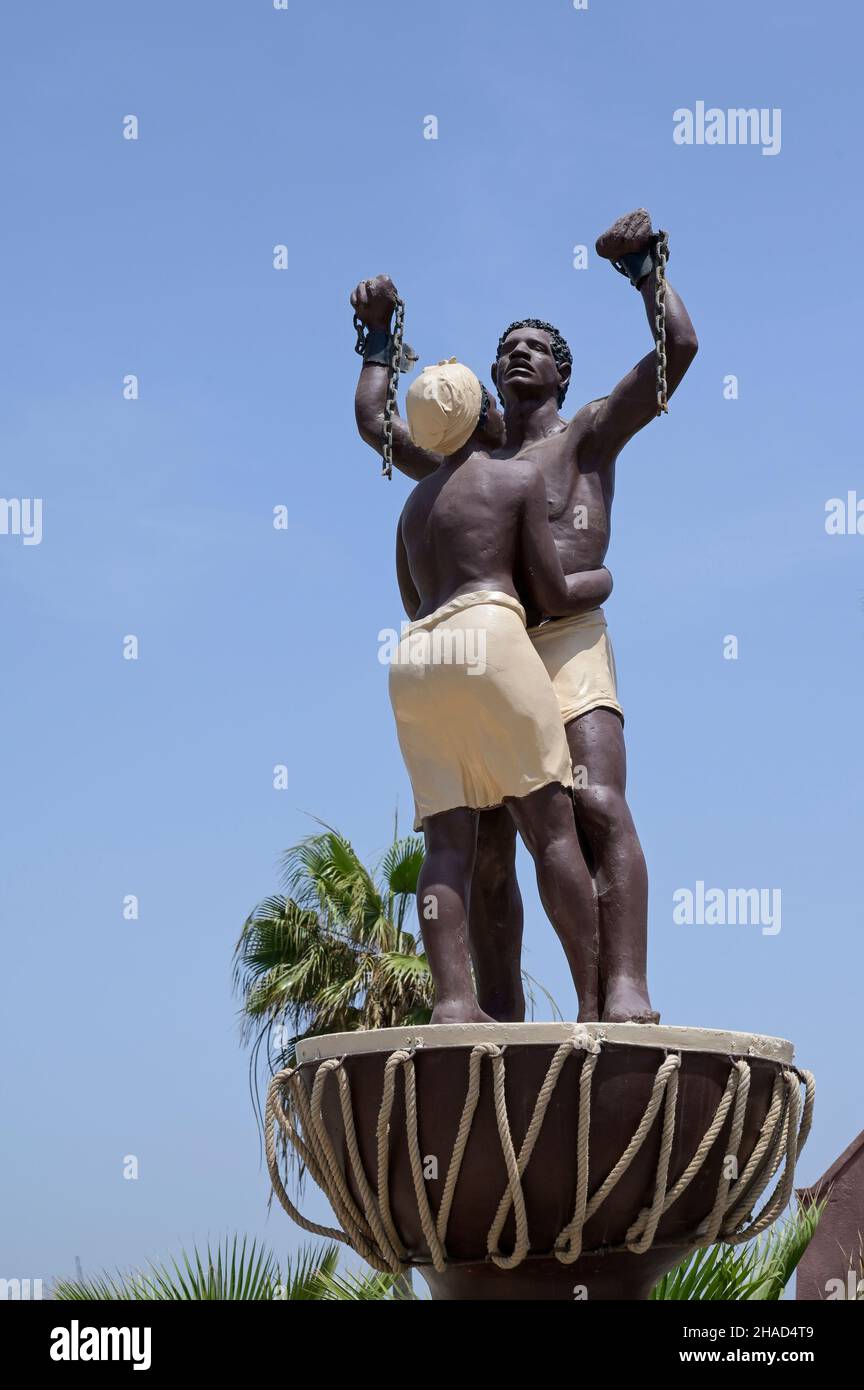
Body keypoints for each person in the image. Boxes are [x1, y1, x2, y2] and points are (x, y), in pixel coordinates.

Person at [352, 209, 696, 1022]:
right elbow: (375, 425)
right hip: (493, 645)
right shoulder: (467, 465)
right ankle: (498, 1016)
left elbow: (675, 353)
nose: (515, 354)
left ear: (562, 374)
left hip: (566, 643)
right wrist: (374, 343)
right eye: (505, 348)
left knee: (597, 805)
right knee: (487, 847)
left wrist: (646, 270)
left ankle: (622, 987)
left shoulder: (585, 436)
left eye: (534, 347)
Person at [389, 358, 610, 1024]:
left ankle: (455, 1001)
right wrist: (598, 583)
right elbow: (548, 590)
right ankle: (595, 1002)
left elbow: (412, 599)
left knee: (448, 845)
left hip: (417, 658)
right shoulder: (513, 479)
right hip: (491, 635)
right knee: (552, 832)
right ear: (480, 414)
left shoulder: (413, 506)